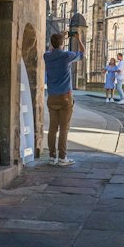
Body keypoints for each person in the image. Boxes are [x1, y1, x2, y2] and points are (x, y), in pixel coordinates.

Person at [43, 27, 84, 165]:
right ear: (62, 44)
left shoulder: (47, 56)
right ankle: (62, 157)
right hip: (65, 97)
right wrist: (78, 38)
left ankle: (51, 156)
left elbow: (51, 49)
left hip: (52, 96)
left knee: (52, 128)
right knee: (64, 128)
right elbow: (83, 53)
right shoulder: (67, 56)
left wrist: (60, 38)